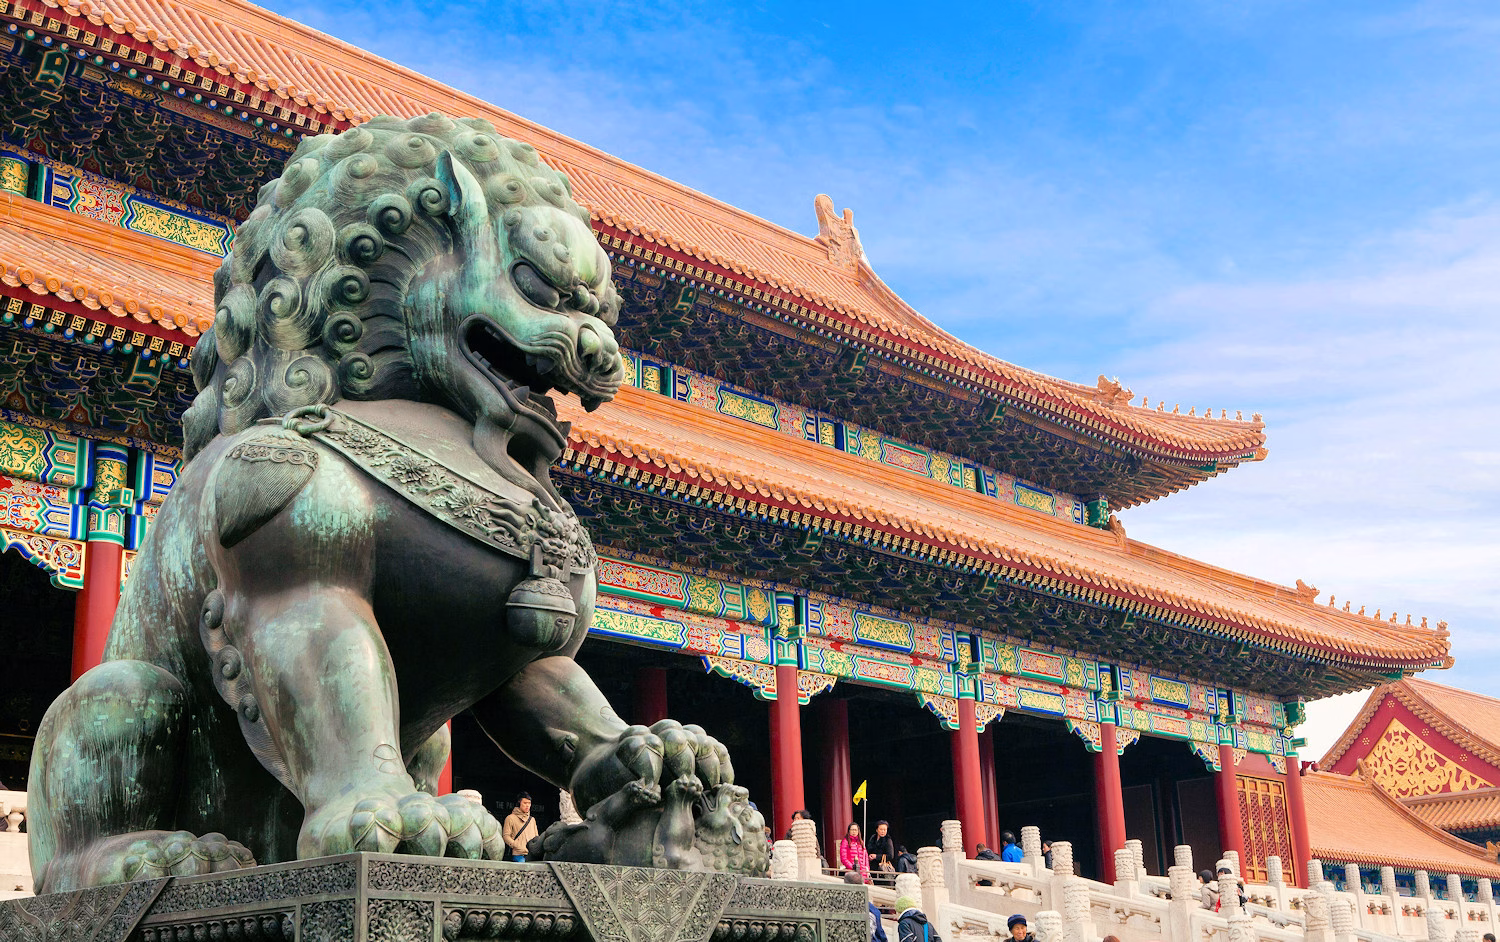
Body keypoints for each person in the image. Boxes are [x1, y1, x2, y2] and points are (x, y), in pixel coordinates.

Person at [503, 792, 539, 862]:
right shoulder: (510, 818)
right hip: (518, 854)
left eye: (529, 803)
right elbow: (506, 836)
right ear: (519, 803)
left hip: (531, 854)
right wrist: (517, 846)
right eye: (525, 803)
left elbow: (536, 836)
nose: (527, 805)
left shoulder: (532, 820)